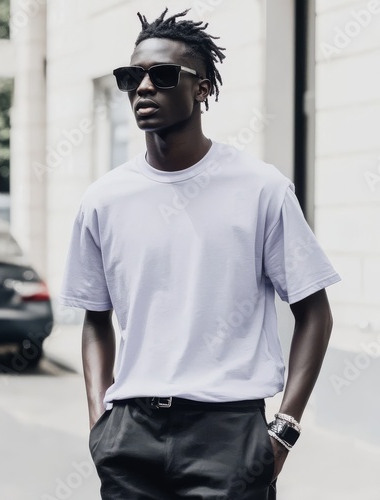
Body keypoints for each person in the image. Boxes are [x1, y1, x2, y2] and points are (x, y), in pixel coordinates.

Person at [59, 8, 341, 500]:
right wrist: (98, 423)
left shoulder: (260, 188)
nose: (143, 87)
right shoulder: (104, 199)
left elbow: (314, 312)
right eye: (131, 77)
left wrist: (284, 431)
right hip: (130, 435)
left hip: (229, 435)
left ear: (202, 88)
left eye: (163, 75)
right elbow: (95, 319)